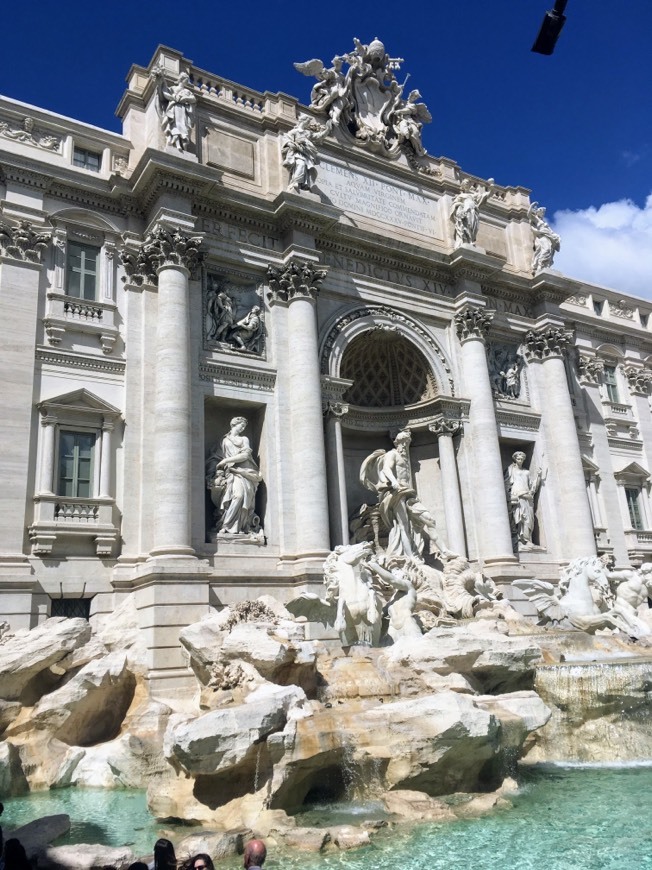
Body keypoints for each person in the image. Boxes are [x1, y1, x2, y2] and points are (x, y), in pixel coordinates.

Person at [213, 417, 262, 535]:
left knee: (243, 498)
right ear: (234, 424)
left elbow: (245, 456)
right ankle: (227, 525)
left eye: (245, 426)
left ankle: (240, 526)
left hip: (245, 472)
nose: (243, 428)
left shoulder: (244, 439)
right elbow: (216, 457)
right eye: (241, 425)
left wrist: (226, 461)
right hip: (231, 473)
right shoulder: (224, 440)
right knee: (238, 496)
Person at [504, 451, 541, 549]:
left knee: (528, 520)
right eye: (518, 459)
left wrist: (538, 476)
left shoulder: (527, 472)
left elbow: (532, 487)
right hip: (517, 497)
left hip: (527, 497)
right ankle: (519, 540)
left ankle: (527, 540)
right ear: (515, 459)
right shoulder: (510, 470)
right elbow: (506, 483)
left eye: (522, 459)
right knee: (518, 519)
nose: (520, 461)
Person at [156, 70, 196, 152]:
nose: (187, 82)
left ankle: (183, 144)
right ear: (182, 79)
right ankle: (177, 144)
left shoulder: (187, 91)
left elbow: (193, 99)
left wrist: (186, 98)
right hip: (174, 110)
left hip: (183, 111)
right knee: (175, 126)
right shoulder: (173, 88)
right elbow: (164, 93)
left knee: (184, 128)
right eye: (186, 80)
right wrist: (161, 80)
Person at [450, 178, 495, 247]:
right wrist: (460, 205)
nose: (466, 184)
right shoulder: (460, 196)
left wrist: (491, 188)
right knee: (467, 225)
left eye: (468, 182)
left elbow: (486, 195)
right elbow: (454, 204)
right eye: (465, 183)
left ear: (470, 185)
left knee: (473, 226)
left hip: (473, 211)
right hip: (466, 211)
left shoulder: (474, 195)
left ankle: (471, 240)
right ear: (462, 185)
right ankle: (469, 241)